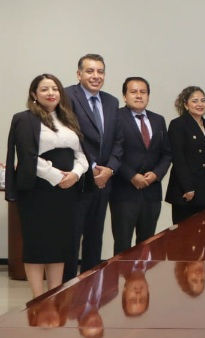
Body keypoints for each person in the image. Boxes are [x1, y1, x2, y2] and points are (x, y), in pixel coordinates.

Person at [5, 74, 89, 298]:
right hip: (37, 191)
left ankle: (53, 296)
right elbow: (27, 156)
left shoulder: (68, 119)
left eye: (55, 88)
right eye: (44, 89)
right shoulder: (24, 119)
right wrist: (57, 176)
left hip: (66, 193)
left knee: (59, 245)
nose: (51, 93)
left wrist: (75, 174)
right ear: (34, 94)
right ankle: (38, 298)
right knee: (37, 245)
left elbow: (81, 154)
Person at [64, 53, 123, 280]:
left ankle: (89, 286)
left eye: (100, 71)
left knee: (94, 237)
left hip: (103, 181)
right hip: (78, 179)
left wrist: (110, 169)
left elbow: (118, 141)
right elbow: (71, 136)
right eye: (90, 71)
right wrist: (93, 167)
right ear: (79, 74)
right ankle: (67, 289)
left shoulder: (111, 102)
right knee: (71, 238)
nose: (96, 76)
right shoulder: (68, 96)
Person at [109, 77, 172, 255]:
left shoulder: (158, 120)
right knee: (123, 244)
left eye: (143, 92)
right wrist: (131, 175)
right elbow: (111, 152)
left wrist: (156, 174)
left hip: (151, 192)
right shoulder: (115, 118)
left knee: (147, 244)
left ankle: (143, 275)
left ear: (148, 96)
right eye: (133, 92)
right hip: (124, 191)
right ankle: (121, 275)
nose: (139, 96)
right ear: (124, 96)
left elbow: (167, 153)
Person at [165, 86, 205, 224]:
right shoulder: (178, 124)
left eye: (203, 100)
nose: (200, 104)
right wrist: (188, 187)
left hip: (204, 187)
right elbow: (178, 158)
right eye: (195, 101)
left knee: (203, 232)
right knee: (184, 232)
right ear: (186, 105)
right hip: (186, 190)